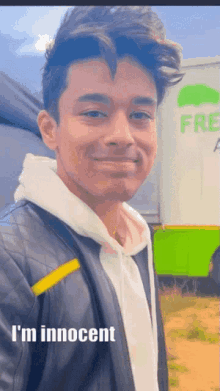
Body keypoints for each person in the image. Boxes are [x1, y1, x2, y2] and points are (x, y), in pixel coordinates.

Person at [0, 6, 183, 391]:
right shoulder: (10, 261)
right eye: (95, 112)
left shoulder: (135, 239)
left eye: (140, 114)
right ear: (50, 129)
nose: (122, 135)